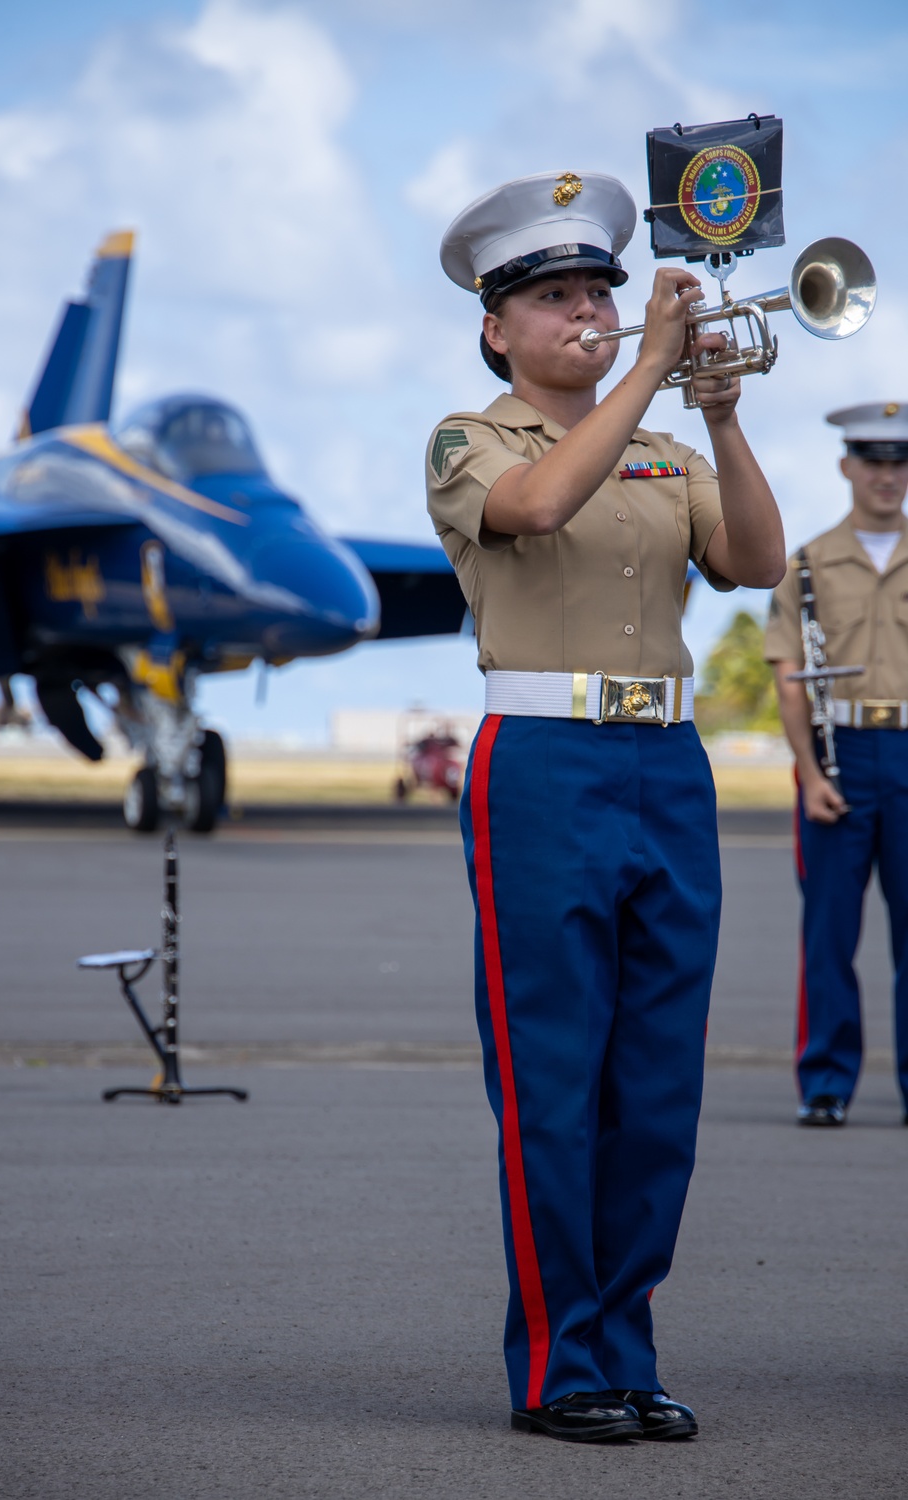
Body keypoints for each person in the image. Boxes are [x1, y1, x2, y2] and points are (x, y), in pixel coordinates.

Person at [425, 170, 784, 1444]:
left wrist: (721, 415)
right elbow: (533, 510)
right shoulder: (472, 442)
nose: (585, 313)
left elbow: (753, 562)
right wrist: (646, 374)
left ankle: (626, 1348)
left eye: (597, 293)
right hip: (543, 763)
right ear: (496, 325)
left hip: (666, 765)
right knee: (552, 1078)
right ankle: (557, 1366)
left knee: (655, 1085)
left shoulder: (664, 446)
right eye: (556, 297)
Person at [765, 402, 908, 1128]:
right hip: (840, 756)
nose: (887, 476)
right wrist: (812, 775)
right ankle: (824, 1081)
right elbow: (791, 676)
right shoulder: (808, 563)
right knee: (828, 932)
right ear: (847, 466)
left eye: (899, 462)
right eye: (873, 462)